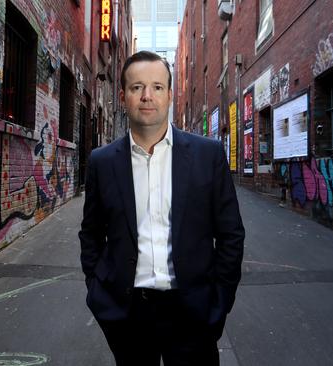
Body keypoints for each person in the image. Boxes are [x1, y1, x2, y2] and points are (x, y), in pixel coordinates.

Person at [79, 51, 245, 366]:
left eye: (157, 87)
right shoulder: (101, 162)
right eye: (136, 87)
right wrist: (96, 289)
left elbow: (231, 234)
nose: (147, 96)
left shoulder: (207, 155)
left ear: (170, 94)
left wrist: (219, 301)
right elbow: (91, 233)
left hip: (193, 311)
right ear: (123, 96)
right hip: (127, 313)